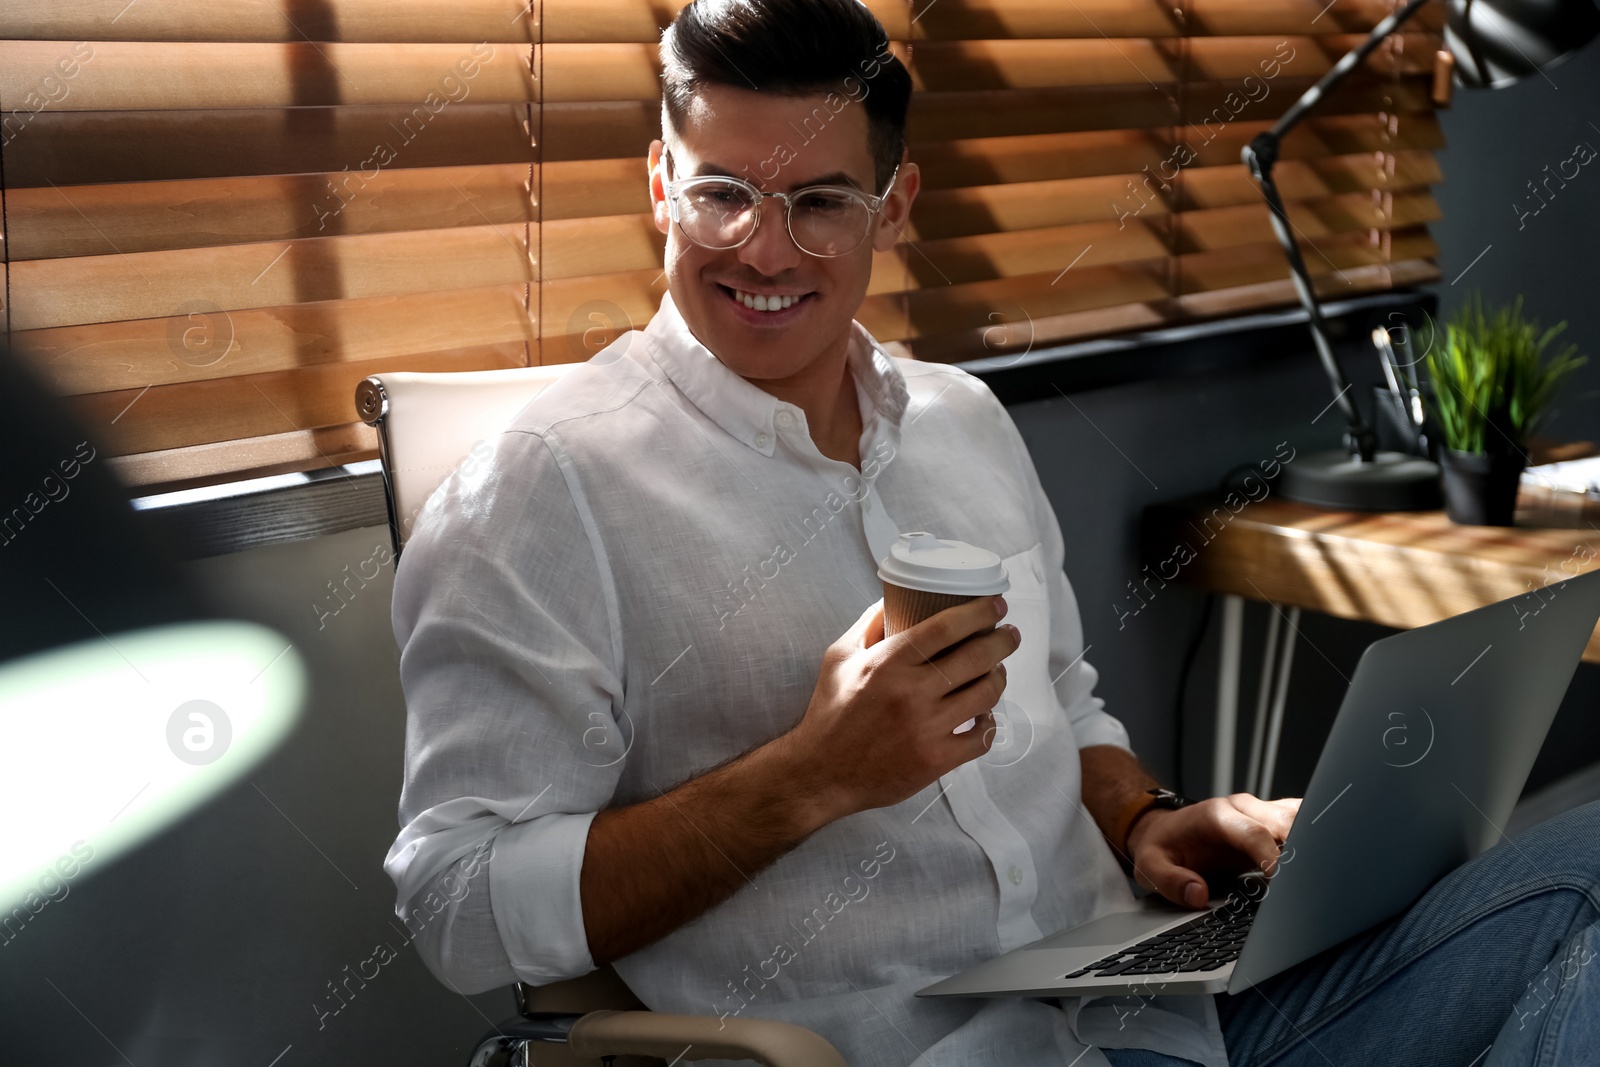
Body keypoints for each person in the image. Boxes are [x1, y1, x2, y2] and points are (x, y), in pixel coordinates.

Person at [384, 2, 1600, 1064]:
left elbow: (1062, 705)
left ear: (894, 204)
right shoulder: (542, 492)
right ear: (661, 183)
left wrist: (1140, 817)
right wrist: (813, 774)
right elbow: (455, 902)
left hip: (1155, 1017)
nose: (764, 247)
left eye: (819, 201)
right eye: (721, 194)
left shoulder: (960, 421)